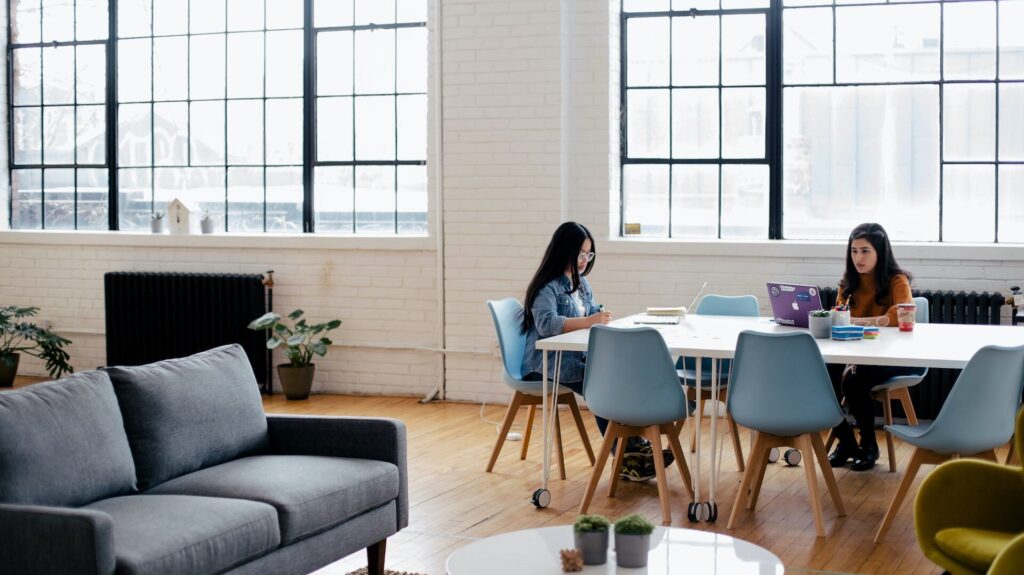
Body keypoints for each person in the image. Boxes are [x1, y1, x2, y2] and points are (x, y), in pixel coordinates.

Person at [519, 221, 670, 482]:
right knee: (604, 384)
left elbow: (589, 315)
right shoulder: (548, 286)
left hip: (576, 358)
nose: (584, 260)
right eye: (580, 254)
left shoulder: (583, 284)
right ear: (563, 250)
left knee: (618, 375)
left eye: (589, 254)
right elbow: (546, 325)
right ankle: (626, 455)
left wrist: (598, 318)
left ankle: (633, 450)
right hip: (547, 365)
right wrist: (590, 321)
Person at [827, 223, 918, 471]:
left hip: (890, 356)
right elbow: (839, 315)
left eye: (865, 251)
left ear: (880, 252)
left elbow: (901, 315)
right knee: (821, 377)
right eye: (854, 251)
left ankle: (869, 445)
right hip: (853, 352)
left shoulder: (897, 280)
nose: (858, 258)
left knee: (853, 380)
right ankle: (846, 441)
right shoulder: (848, 283)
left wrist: (859, 322)